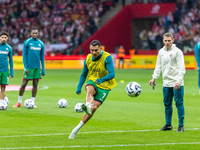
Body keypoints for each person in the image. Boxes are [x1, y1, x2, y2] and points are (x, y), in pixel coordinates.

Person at [68, 40, 117, 139]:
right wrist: (79, 87)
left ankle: (75, 130)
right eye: (92, 50)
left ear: (100, 49)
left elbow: (112, 74)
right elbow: (84, 74)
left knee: (94, 109)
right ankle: (87, 105)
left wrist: (101, 80)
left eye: (96, 50)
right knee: (90, 89)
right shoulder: (88, 58)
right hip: (93, 81)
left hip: (105, 86)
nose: (94, 52)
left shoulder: (107, 57)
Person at [149, 32, 186, 132]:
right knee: (167, 104)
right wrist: (154, 78)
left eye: (169, 40)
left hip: (176, 83)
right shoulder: (161, 52)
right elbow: (158, 66)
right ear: (163, 41)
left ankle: (181, 125)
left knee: (179, 103)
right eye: (165, 41)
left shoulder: (178, 52)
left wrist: (178, 81)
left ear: (173, 40)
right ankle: (168, 124)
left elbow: (181, 69)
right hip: (166, 83)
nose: (167, 42)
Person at [13, 27, 45, 108]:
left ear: (38, 34)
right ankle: (19, 102)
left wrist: (43, 69)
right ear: (31, 34)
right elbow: (24, 56)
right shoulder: (27, 42)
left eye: (36, 33)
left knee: (35, 85)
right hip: (29, 67)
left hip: (37, 68)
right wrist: (25, 68)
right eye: (33, 33)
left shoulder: (41, 43)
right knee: (24, 84)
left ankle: (32, 102)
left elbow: (42, 57)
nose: (35, 34)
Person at [0, 31, 14, 103]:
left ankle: (2, 103)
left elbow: (11, 61)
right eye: (2, 37)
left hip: (5, 70)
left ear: (7, 38)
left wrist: (11, 72)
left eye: (5, 38)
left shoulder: (9, 48)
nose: (4, 39)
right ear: (0, 38)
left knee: (3, 87)